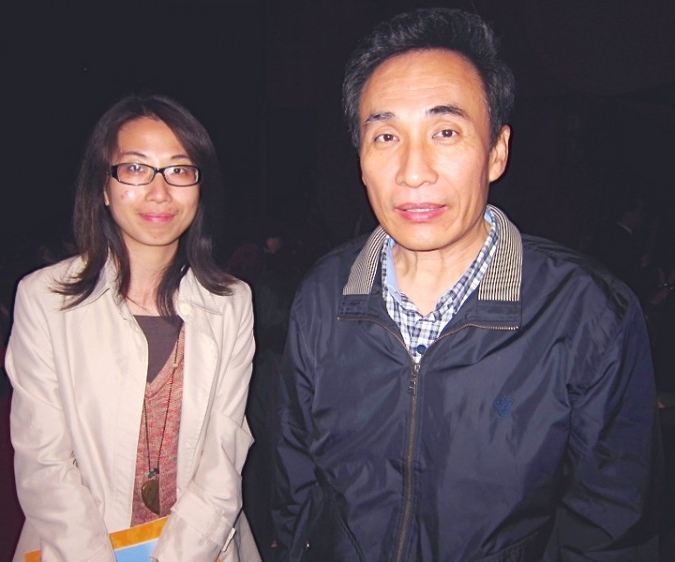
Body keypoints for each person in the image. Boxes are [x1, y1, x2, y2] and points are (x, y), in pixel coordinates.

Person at [272, 8, 662, 561]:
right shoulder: (321, 296)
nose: (414, 171)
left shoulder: (588, 314)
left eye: (446, 132)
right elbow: (296, 487)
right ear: (360, 160)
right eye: (386, 136)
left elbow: (611, 531)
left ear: (497, 151)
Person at [6, 94, 260, 561]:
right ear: (103, 187)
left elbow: (224, 454)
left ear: (199, 187)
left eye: (179, 170)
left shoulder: (231, 303)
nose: (159, 191)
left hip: (202, 547)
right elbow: (43, 462)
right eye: (136, 168)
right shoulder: (45, 300)